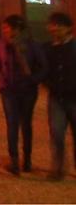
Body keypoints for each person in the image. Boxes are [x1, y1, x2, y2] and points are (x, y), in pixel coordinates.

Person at [0, 14, 46, 175]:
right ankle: (14, 160)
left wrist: (32, 80)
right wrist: (0, 77)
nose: (5, 31)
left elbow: (43, 67)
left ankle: (27, 159)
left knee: (26, 124)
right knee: (12, 125)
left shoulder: (32, 45)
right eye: (3, 28)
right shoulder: (2, 45)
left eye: (7, 28)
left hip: (27, 90)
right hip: (9, 90)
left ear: (17, 29)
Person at [44, 11, 76, 181]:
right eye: (52, 25)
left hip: (74, 97)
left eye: (58, 26)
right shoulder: (48, 48)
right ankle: (58, 167)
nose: (54, 29)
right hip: (56, 97)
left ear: (68, 28)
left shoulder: (74, 47)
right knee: (56, 133)